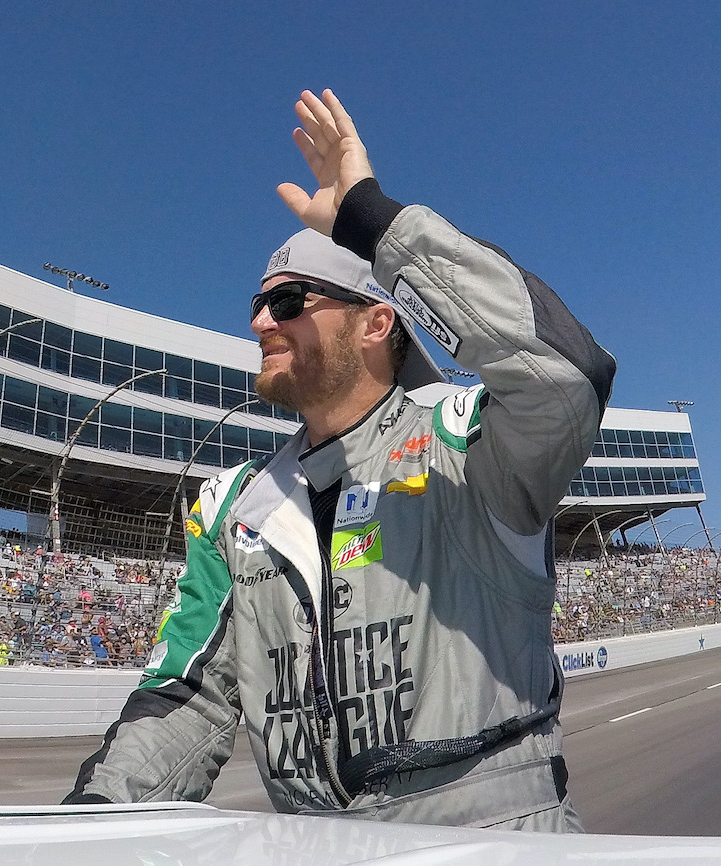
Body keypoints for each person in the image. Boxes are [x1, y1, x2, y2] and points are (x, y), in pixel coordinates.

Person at [65, 90, 614, 832]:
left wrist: (372, 221)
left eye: (289, 301)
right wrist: (92, 821)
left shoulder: (466, 441)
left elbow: (569, 377)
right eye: (258, 303)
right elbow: (187, 696)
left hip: (495, 840)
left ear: (375, 323)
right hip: (315, 843)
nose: (261, 321)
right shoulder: (235, 505)